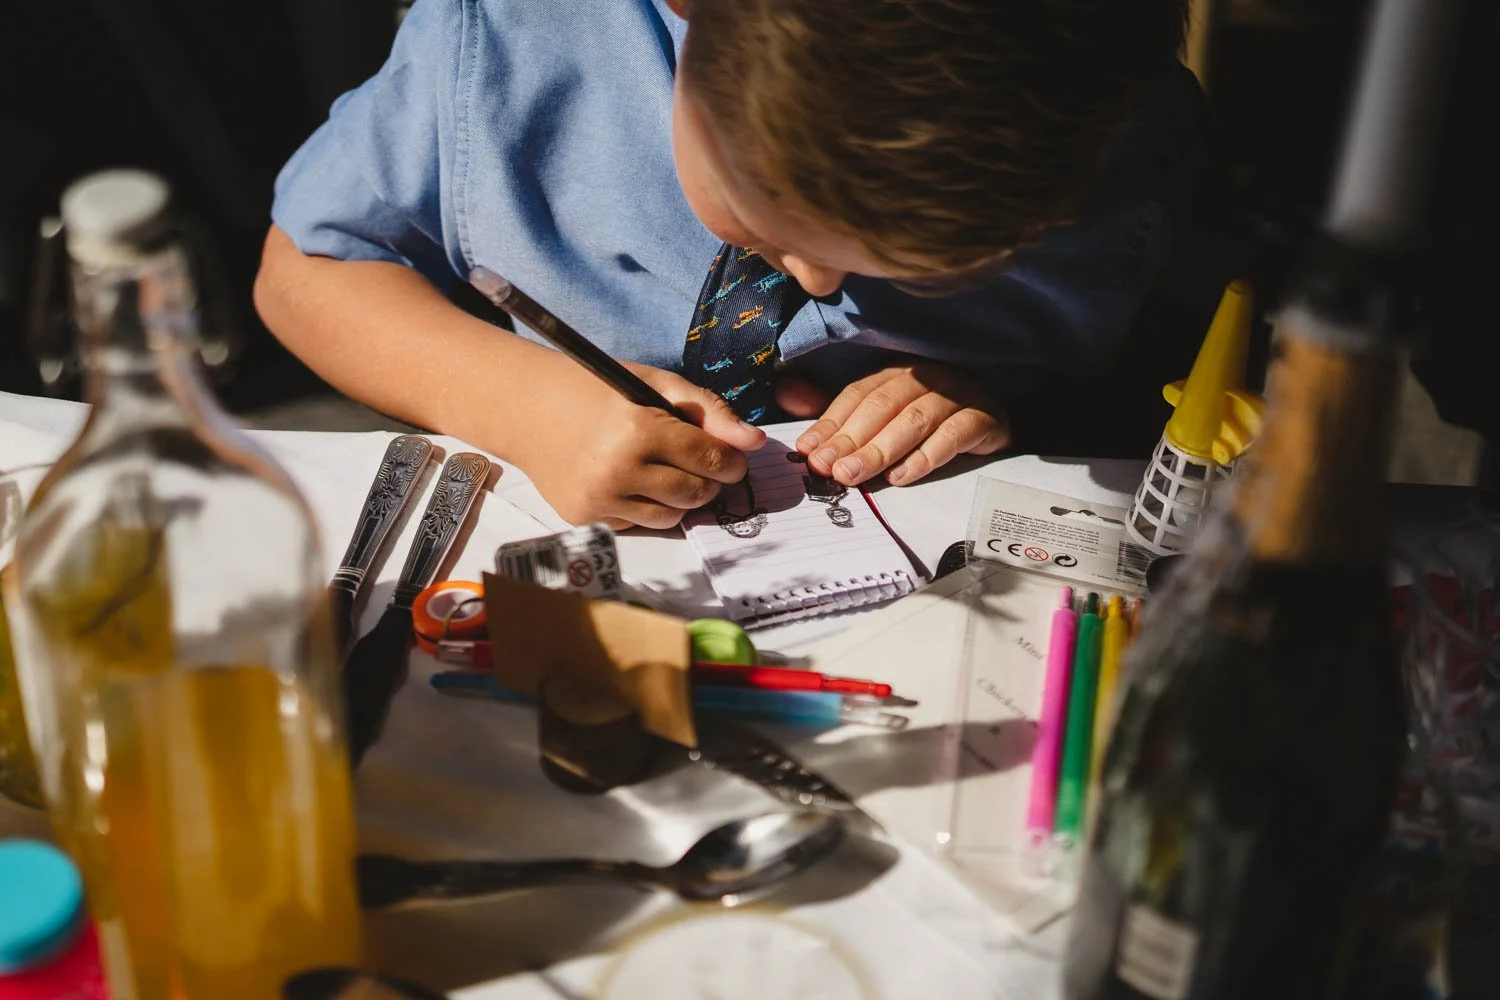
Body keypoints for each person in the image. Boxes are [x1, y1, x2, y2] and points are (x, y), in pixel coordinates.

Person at [255, 0, 1213, 530]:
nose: (820, 288)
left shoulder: (1129, 145)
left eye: (929, 270)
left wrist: (1014, 409)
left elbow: (1178, 393)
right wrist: (526, 403)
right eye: (770, 220)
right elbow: (304, 268)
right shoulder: (511, 34)